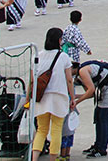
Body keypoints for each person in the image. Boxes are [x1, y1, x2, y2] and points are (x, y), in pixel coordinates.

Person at [31, 27, 75, 161]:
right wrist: (72, 98)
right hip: (58, 97)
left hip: (41, 98)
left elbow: (32, 80)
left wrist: (29, 98)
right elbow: (69, 79)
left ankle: (34, 158)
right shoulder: (63, 57)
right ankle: (53, 158)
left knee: (41, 130)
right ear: (59, 40)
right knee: (56, 130)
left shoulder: (37, 55)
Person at [75, 58, 108, 158]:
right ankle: (97, 145)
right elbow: (90, 93)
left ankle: (102, 149)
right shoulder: (81, 73)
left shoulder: (82, 72)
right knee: (99, 116)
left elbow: (91, 90)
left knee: (103, 118)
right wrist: (77, 96)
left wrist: (77, 102)